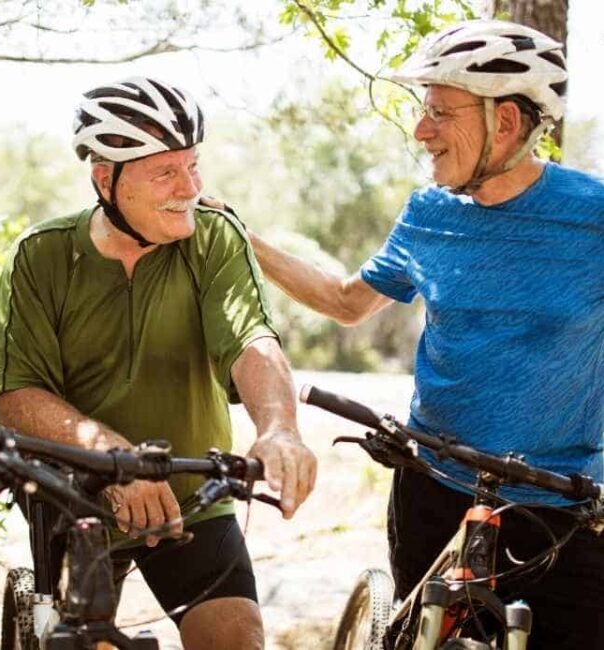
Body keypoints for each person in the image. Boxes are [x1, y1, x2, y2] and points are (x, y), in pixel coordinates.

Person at [247, 20, 604, 649]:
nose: (420, 131)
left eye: (440, 112)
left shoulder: (593, 218)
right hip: (434, 488)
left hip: (563, 504)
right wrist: (244, 240)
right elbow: (344, 301)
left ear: (509, 122)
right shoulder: (429, 213)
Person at [0, 76, 318, 650]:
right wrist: (118, 462)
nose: (189, 188)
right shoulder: (42, 255)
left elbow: (250, 341)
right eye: (165, 172)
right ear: (104, 178)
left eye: (193, 165)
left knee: (237, 639)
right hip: (77, 501)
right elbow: (17, 398)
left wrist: (279, 427)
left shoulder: (214, 239)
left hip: (192, 498)